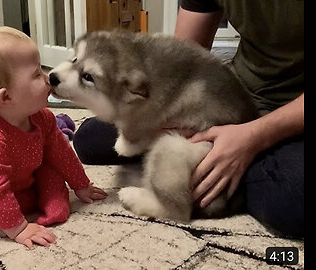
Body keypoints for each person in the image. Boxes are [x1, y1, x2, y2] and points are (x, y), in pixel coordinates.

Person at [73, 0, 303, 237]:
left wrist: (253, 138)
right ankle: (219, 170)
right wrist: (171, 119)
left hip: (293, 113)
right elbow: (183, 60)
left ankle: (229, 176)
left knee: (294, 198)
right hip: (235, 94)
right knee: (89, 140)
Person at [0, 26, 108, 250]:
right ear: (7, 96)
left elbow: (62, 152)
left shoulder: (42, 118)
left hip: (23, 175)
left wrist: (81, 185)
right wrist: (18, 228)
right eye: (36, 74)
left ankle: (40, 199)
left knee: (52, 166)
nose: (47, 77)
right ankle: (31, 202)